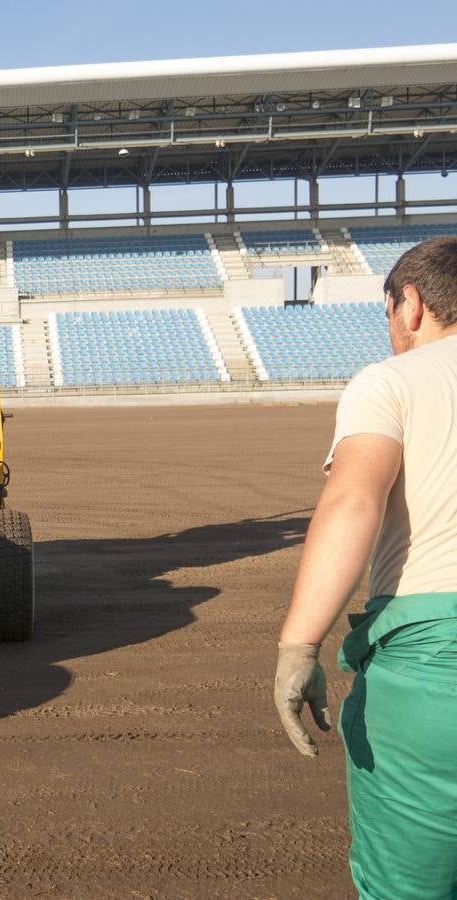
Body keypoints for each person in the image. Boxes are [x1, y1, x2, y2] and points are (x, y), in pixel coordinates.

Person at [275, 236, 457, 898]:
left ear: (409, 304)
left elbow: (353, 501)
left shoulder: (393, 381)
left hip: (435, 667)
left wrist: (299, 646)